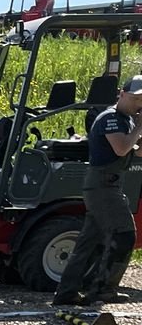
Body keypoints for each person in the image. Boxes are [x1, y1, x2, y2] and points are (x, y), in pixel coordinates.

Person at [53, 75, 142, 307]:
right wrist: (140, 126)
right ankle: (103, 290)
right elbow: (122, 148)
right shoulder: (111, 118)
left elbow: (136, 151)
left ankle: (66, 293)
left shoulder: (127, 121)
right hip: (103, 185)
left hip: (107, 184)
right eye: (134, 98)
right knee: (124, 235)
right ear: (122, 94)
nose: (137, 104)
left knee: (88, 242)